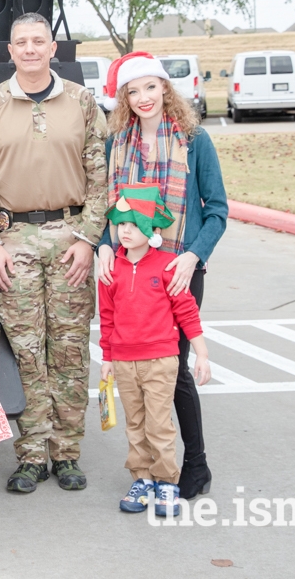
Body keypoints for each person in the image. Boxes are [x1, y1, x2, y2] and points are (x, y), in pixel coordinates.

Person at [0, 12, 109, 496]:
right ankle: (30, 454)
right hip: (14, 241)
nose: (29, 49)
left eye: (38, 41)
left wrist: (88, 239)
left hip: (70, 240)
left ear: (52, 48)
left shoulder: (82, 103)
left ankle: (66, 453)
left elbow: (101, 178)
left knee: (67, 351)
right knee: (25, 351)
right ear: (11, 52)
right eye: (20, 42)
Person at [96, 51, 228, 500]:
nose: (143, 98)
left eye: (150, 87)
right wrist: (103, 248)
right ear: (124, 99)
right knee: (139, 374)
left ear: (165, 88)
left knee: (174, 373)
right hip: (131, 272)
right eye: (133, 91)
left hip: (177, 270)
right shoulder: (118, 146)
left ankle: (195, 464)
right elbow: (106, 213)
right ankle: (148, 468)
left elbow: (217, 211)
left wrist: (192, 257)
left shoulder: (194, 139)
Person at [98, 183, 211, 518]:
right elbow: (107, 317)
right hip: (124, 360)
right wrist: (106, 358)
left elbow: (187, 311)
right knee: (135, 423)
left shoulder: (168, 265)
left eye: (134, 224)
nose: (125, 230)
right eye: (121, 224)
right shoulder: (112, 269)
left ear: (152, 229)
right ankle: (142, 479)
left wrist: (201, 353)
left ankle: (166, 482)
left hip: (161, 360)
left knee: (159, 425)